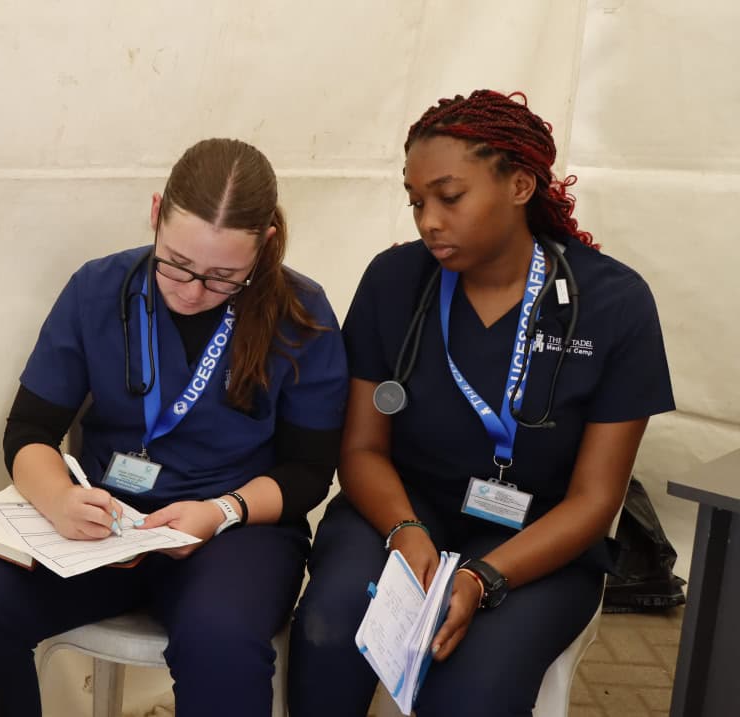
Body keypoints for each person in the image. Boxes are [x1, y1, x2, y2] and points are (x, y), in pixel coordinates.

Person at [288, 90, 675, 716]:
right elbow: (360, 449)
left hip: (541, 539)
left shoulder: (614, 304)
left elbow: (595, 500)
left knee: (473, 684)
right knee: (329, 631)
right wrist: (406, 532)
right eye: (416, 202)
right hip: (401, 513)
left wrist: (481, 576)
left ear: (520, 184)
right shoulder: (394, 282)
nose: (428, 220)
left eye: (450, 196)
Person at [0, 138, 349, 716]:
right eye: (176, 263)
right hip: (106, 526)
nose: (191, 290)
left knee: (221, 641)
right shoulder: (97, 289)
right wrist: (59, 499)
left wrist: (221, 511)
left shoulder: (301, 315)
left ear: (267, 245)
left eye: (222, 276)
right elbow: (30, 429)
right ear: (156, 213)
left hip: (234, 532)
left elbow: (309, 473)